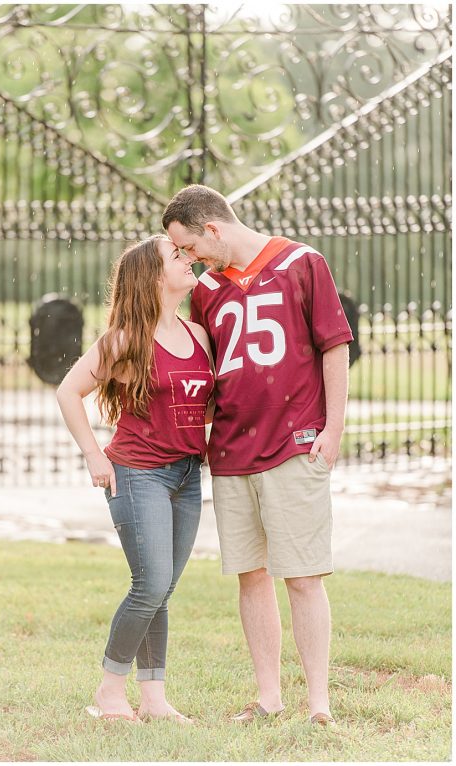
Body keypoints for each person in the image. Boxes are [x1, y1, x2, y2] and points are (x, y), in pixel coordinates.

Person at [162, 184, 352, 726]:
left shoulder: (301, 263)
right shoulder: (207, 292)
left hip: (294, 444)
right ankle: (269, 697)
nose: (190, 260)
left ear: (213, 230)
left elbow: (334, 346)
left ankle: (319, 704)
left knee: (304, 575)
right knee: (251, 574)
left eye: (190, 247)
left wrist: (332, 429)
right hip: (232, 452)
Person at [56, 235, 214, 724]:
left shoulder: (198, 335)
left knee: (161, 590)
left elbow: (204, 405)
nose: (189, 261)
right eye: (177, 257)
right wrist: (92, 454)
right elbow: (68, 391)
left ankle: (154, 699)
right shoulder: (125, 339)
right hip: (137, 471)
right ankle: (109, 693)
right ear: (152, 275)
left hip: (187, 475)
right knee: (150, 584)